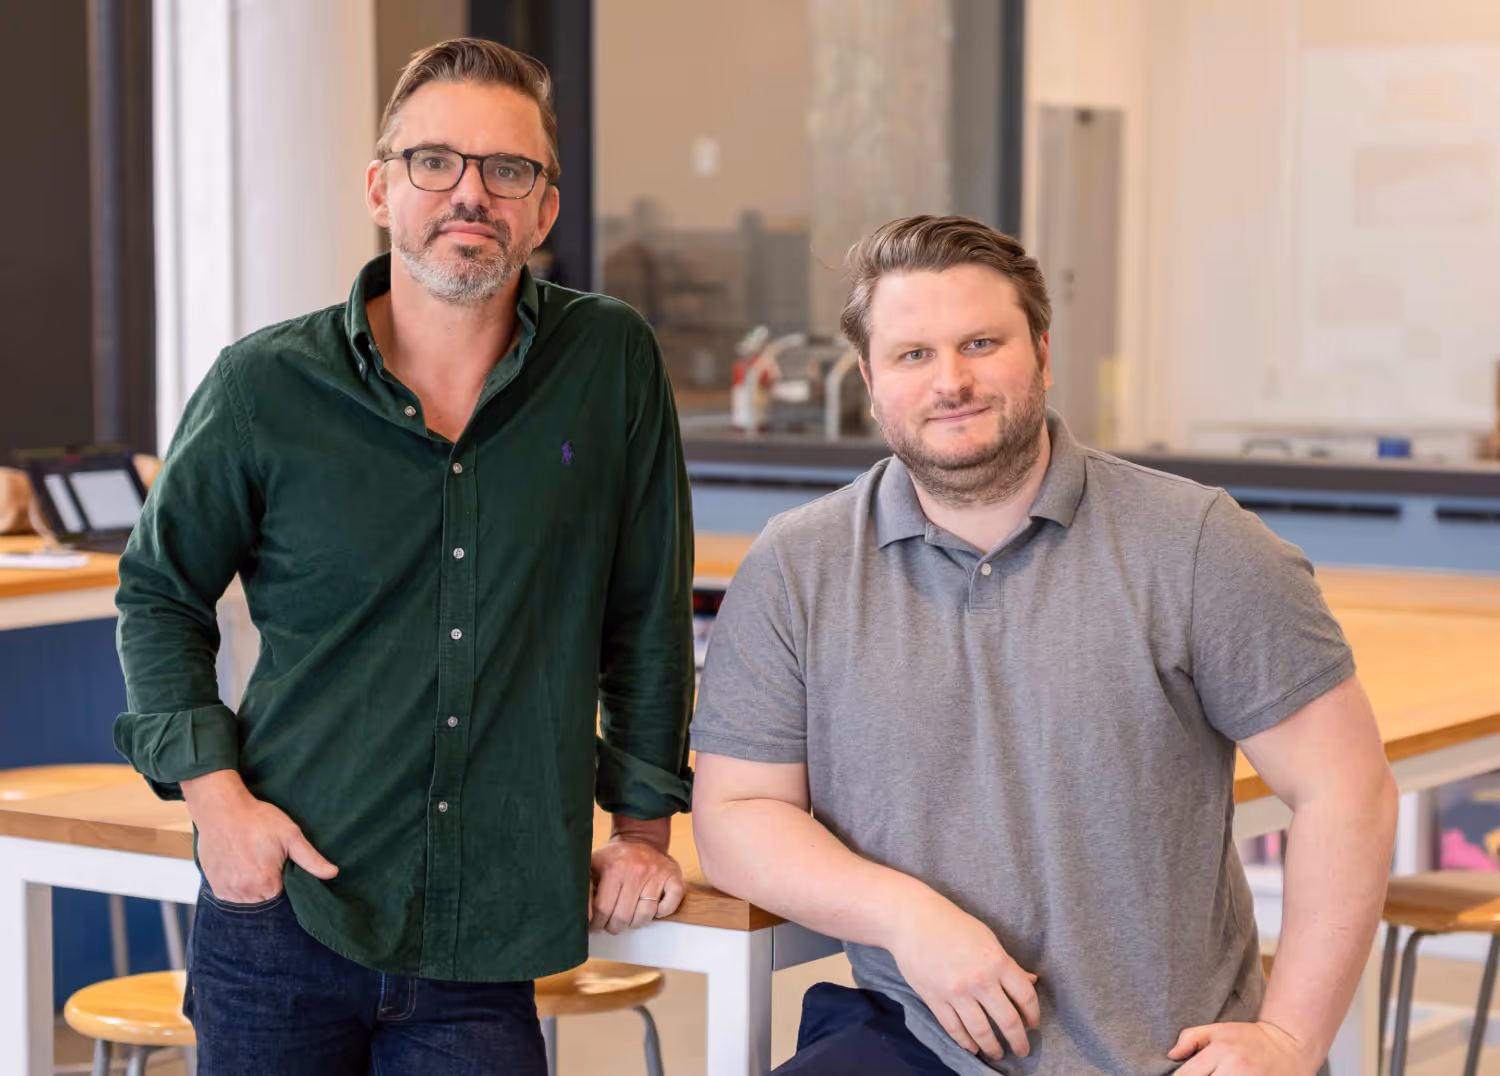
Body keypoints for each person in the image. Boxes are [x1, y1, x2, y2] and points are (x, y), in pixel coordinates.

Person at [690, 215, 1398, 1075]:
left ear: (1044, 355)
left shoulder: (1198, 544)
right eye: (913, 354)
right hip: (917, 1043)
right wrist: (907, 916)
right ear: (871, 384)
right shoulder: (798, 565)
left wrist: (1292, 1037)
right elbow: (736, 815)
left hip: (1166, 1054)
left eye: (981, 343)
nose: (951, 380)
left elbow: (1345, 788)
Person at [114, 38, 694, 1074]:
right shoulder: (264, 385)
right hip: (283, 907)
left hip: (487, 934)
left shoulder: (610, 363)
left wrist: (642, 827)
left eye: (507, 169)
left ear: (545, 208)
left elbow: (645, 611)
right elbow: (159, 591)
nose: (470, 194)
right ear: (382, 188)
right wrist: (217, 801)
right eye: (436, 161)